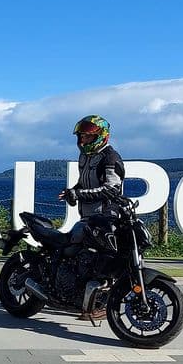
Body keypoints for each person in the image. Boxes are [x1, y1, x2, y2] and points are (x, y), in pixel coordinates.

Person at [57, 115, 126, 320]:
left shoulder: (110, 157)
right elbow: (84, 183)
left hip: (106, 217)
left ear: (100, 136)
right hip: (88, 216)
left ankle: (102, 302)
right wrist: (72, 191)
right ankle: (76, 294)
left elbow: (111, 189)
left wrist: (78, 194)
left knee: (103, 260)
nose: (82, 141)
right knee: (78, 252)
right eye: (81, 136)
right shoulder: (85, 157)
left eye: (87, 137)